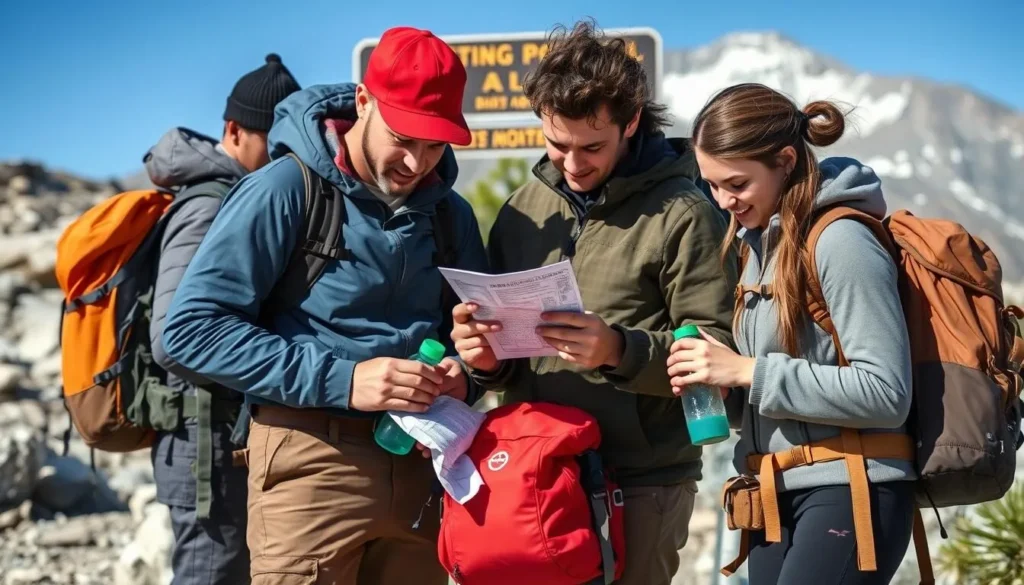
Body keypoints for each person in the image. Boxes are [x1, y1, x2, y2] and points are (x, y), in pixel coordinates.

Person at [159, 26, 488, 585]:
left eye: (435, 145)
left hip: (422, 469)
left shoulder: (451, 215)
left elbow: (483, 340)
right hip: (309, 463)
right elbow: (187, 333)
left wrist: (472, 372)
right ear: (363, 101)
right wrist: (346, 380)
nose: (416, 161)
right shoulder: (286, 189)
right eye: (403, 137)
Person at [450, 20, 738, 585]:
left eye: (592, 147)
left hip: (641, 478)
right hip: (529, 476)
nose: (573, 163)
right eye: (556, 145)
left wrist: (618, 349)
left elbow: (718, 355)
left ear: (631, 122)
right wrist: (482, 360)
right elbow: (507, 360)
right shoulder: (521, 212)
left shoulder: (684, 212)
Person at [666, 82, 915, 585]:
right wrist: (727, 384)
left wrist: (748, 370)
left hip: (851, 488)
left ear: (784, 160)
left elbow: (888, 394)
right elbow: (779, 394)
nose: (723, 200)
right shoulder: (756, 247)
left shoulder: (841, 239)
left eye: (736, 183)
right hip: (774, 490)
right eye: (711, 185)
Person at [145, 53, 301, 585]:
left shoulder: (244, 199)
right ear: (234, 130)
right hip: (203, 447)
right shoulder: (210, 207)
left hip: (221, 440)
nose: (284, 156)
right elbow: (172, 340)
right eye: (270, 141)